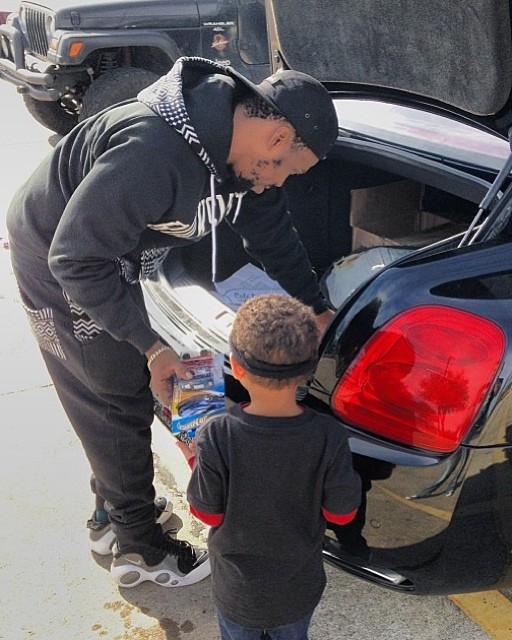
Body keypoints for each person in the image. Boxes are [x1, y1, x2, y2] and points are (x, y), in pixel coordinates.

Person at [6, 56, 338, 588]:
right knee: (111, 395)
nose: (276, 184)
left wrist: (316, 305)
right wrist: (150, 345)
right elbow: (72, 260)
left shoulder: (244, 162)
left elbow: (272, 235)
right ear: (278, 138)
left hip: (111, 249)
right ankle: (139, 547)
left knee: (127, 388)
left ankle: (111, 510)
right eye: (286, 171)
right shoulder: (154, 151)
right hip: (58, 257)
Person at [177, 293, 361, 639]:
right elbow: (342, 514)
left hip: (237, 590)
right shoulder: (328, 435)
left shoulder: (216, 435)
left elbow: (209, 514)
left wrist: (193, 459)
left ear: (237, 366)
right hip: (297, 589)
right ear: (308, 370)